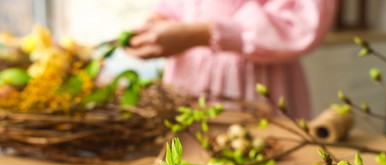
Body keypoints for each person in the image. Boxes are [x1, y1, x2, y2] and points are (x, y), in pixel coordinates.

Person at [125, 0, 339, 119]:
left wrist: (201, 34)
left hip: (254, 87)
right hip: (186, 81)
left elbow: (302, 23)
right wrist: (157, 22)